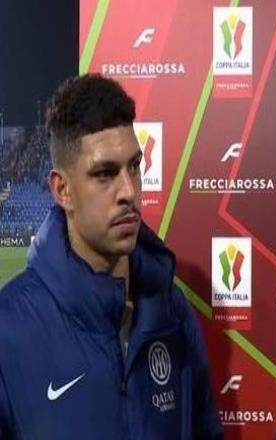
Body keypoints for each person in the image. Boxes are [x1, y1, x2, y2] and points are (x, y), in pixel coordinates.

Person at [0, 74, 222, 439]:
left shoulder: (172, 311)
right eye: (105, 174)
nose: (129, 191)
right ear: (62, 189)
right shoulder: (9, 328)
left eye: (134, 167)